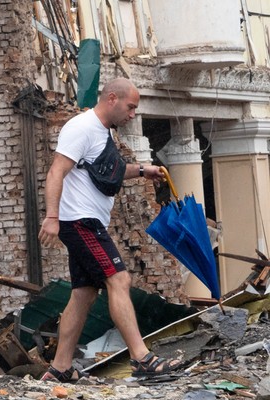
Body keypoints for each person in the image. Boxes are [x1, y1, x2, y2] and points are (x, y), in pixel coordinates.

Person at [38, 78, 181, 382]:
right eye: (131, 107)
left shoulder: (102, 133)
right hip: (80, 220)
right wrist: (52, 216)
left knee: (83, 293)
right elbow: (56, 171)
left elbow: (110, 172)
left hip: (87, 220)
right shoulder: (81, 128)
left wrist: (144, 170)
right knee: (119, 278)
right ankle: (142, 358)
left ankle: (60, 368)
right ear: (112, 98)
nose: (132, 114)